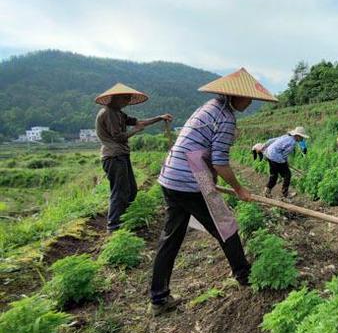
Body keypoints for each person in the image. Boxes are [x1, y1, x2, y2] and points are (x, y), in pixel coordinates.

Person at [151, 67, 278, 316]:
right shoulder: (226, 118)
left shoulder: (209, 107)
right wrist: (239, 189)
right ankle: (244, 275)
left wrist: (213, 181)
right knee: (226, 225)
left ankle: (158, 298)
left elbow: (208, 156)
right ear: (234, 95)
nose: (250, 102)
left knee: (171, 237)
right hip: (191, 178)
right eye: (248, 98)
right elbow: (219, 161)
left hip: (171, 177)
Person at [95, 83, 173, 233]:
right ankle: (114, 226)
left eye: (129, 99)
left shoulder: (118, 112)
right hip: (113, 156)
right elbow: (118, 137)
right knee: (120, 192)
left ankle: (126, 219)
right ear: (116, 98)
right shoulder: (109, 112)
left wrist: (159, 118)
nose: (127, 102)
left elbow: (139, 122)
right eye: (126, 98)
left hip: (121, 155)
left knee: (131, 190)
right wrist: (135, 131)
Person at [261, 126, 309, 199]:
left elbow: (272, 140)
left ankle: (267, 191)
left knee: (274, 175)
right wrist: (285, 163)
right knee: (287, 175)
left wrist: (264, 146)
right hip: (276, 156)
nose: (302, 139)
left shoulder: (286, 136)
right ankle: (285, 194)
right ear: (297, 136)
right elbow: (284, 155)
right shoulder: (292, 143)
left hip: (269, 154)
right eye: (302, 137)